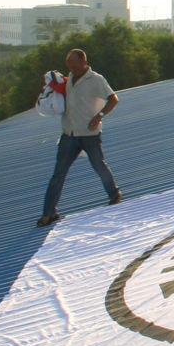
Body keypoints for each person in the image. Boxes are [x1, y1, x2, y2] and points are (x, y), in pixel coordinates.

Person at [37, 48, 122, 227]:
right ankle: (48, 213)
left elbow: (113, 99)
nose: (72, 69)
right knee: (58, 174)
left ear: (84, 62)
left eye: (74, 66)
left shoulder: (96, 80)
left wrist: (99, 116)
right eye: (69, 66)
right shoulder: (69, 79)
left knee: (99, 166)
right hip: (69, 134)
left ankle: (114, 194)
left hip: (89, 134)